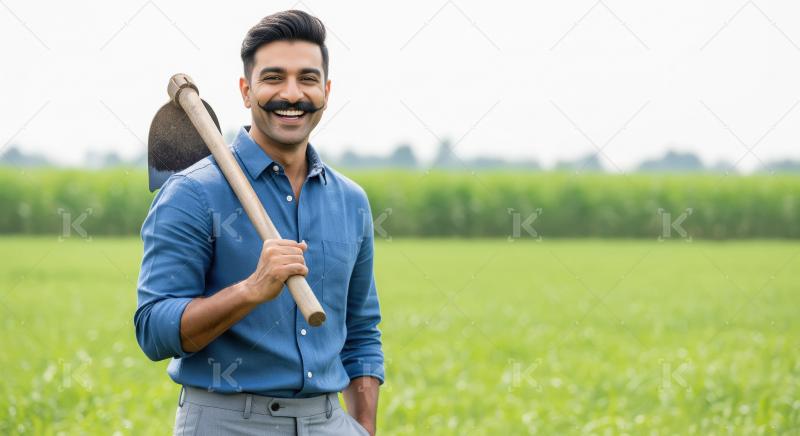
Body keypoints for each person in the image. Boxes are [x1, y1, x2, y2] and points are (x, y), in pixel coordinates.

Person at [134, 10, 384, 435]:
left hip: (330, 423)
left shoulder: (351, 201)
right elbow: (154, 329)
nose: (292, 93)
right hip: (228, 422)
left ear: (326, 91)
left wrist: (362, 427)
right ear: (246, 91)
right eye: (273, 78)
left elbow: (361, 331)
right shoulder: (192, 193)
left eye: (307, 79)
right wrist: (251, 289)